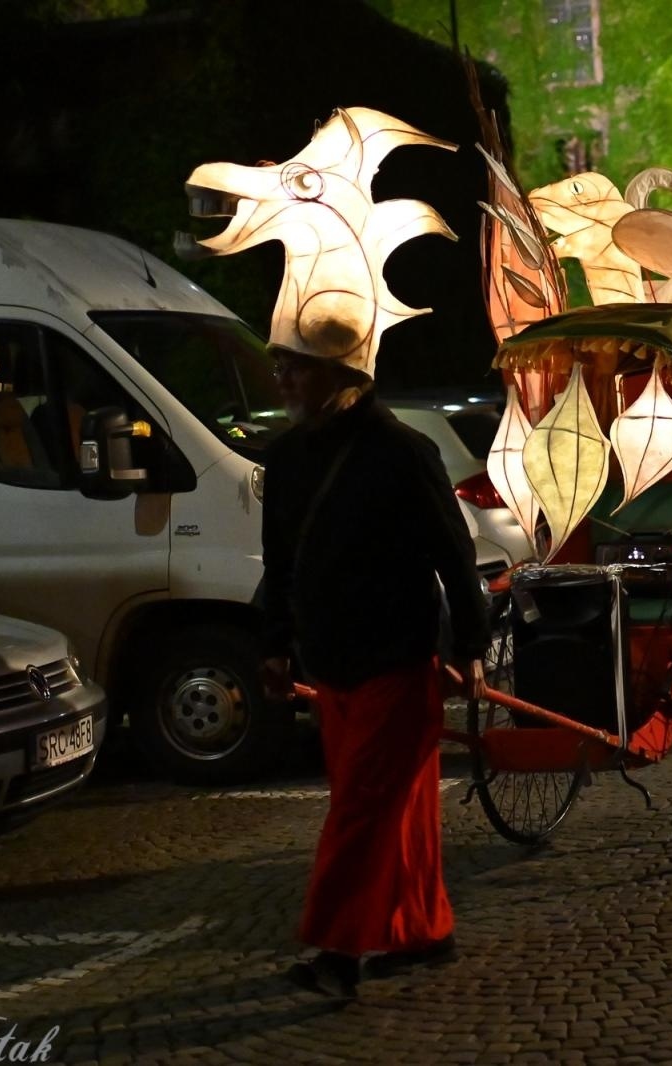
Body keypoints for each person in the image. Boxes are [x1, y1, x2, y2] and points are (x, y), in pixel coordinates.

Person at [260, 343, 489, 999]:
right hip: (330, 663)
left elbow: (454, 552)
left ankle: (338, 951)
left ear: (343, 369)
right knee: (398, 806)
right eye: (281, 369)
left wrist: (469, 645)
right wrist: (274, 643)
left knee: (362, 810)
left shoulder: (403, 451)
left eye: (296, 367)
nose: (285, 382)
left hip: (397, 660)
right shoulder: (285, 458)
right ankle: (422, 930)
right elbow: (280, 560)